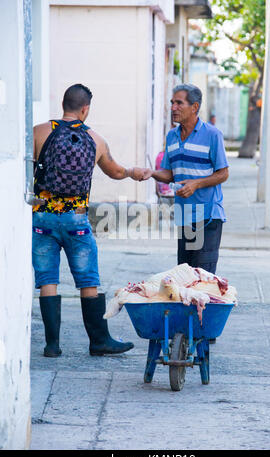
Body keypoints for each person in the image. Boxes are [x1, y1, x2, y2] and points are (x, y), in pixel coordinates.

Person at [33, 83, 147, 358]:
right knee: (87, 279)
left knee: (48, 279)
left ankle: (52, 345)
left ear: (63, 104)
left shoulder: (38, 132)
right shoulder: (95, 140)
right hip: (77, 221)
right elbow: (116, 171)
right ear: (85, 109)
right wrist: (133, 172)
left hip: (43, 217)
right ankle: (99, 341)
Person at [144, 84, 229, 341]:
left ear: (195, 107)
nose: (173, 108)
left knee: (204, 274)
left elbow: (223, 172)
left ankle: (205, 332)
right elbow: (170, 174)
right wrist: (151, 173)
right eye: (172, 102)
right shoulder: (171, 137)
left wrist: (196, 184)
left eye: (179, 103)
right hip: (185, 217)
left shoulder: (212, 135)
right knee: (186, 273)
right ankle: (191, 327)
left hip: (208, 215)